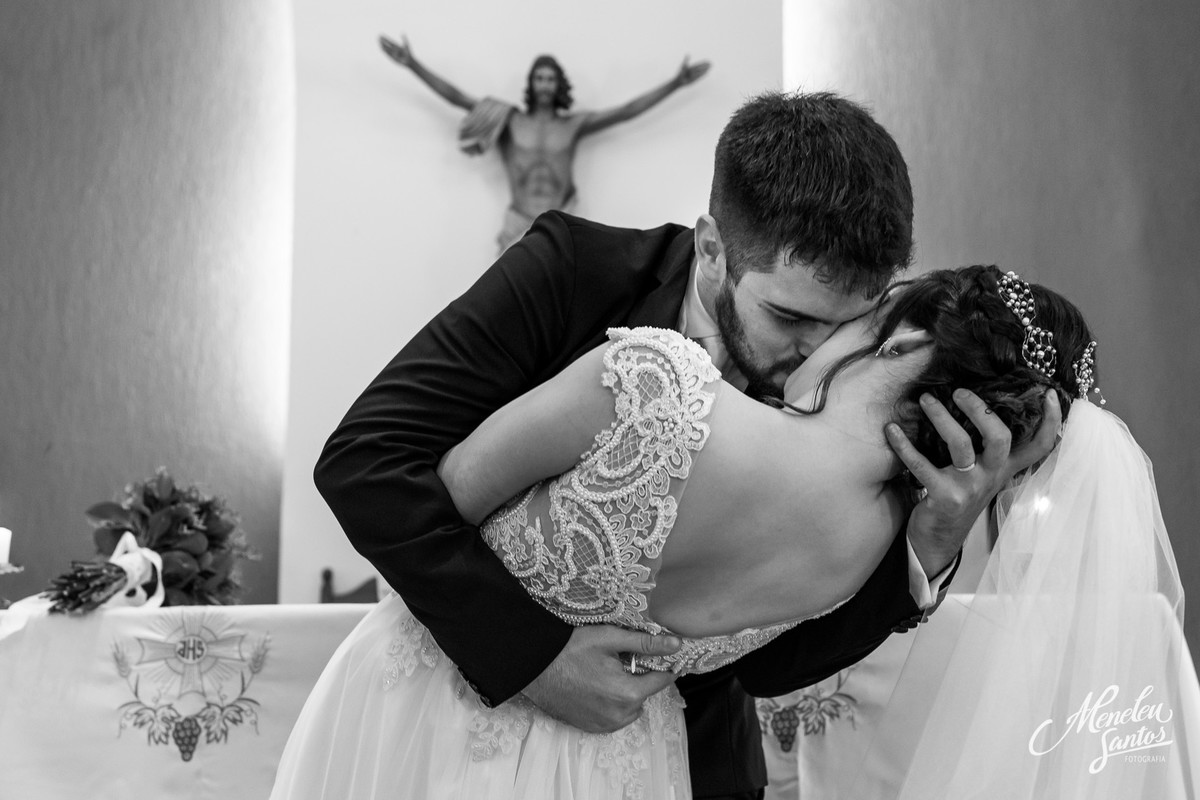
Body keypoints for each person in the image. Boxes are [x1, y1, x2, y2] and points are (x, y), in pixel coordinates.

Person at [309, 91, 1059, 799]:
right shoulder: (574, 273)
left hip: (685, 761)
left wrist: (929, 545)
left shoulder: (858, 407)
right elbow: (367, 462)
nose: (816, 352)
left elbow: (774, 664)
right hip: (457, 719)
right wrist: (534, 658)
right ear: (711, 249)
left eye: (847, 323)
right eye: (790, 317)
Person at [379, 35, 710, 252]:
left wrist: (676, 83)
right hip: (517, 225)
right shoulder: (509, 119)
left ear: (559, 83)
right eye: (539, 77)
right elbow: (456, 97)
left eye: (550, 78)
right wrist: (412, 63)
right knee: (509, 305)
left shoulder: (573, 124)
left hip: (561, 222)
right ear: (531, 83)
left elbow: (625, 112)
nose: (545, 84)